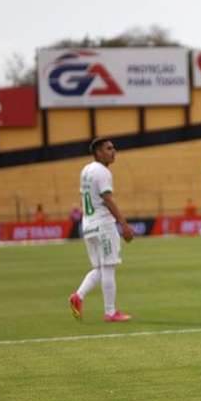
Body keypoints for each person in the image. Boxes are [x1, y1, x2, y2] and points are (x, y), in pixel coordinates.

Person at [68, 138, 135, 323]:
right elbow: (108, 199)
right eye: (108, 148)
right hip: (103, 225)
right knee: (109, 266)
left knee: (99, 268)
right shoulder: (102, 172)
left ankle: (78, 297)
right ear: (98, 152)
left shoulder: (86, 170)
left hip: (88, 225)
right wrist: (124, 225)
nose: (113, 151)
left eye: (114, 148)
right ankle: (110, 312)